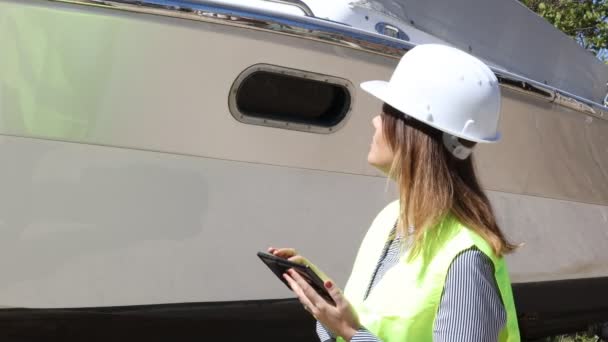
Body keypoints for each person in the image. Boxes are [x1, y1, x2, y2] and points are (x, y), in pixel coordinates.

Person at [268, 44, 521, 342]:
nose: (375, 121)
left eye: (386, 111)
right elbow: (371, 323)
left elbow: (358, 333)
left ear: (415, 133)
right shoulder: (391, 218)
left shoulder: (465, 259)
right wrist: (326, 310)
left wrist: (350, 332)